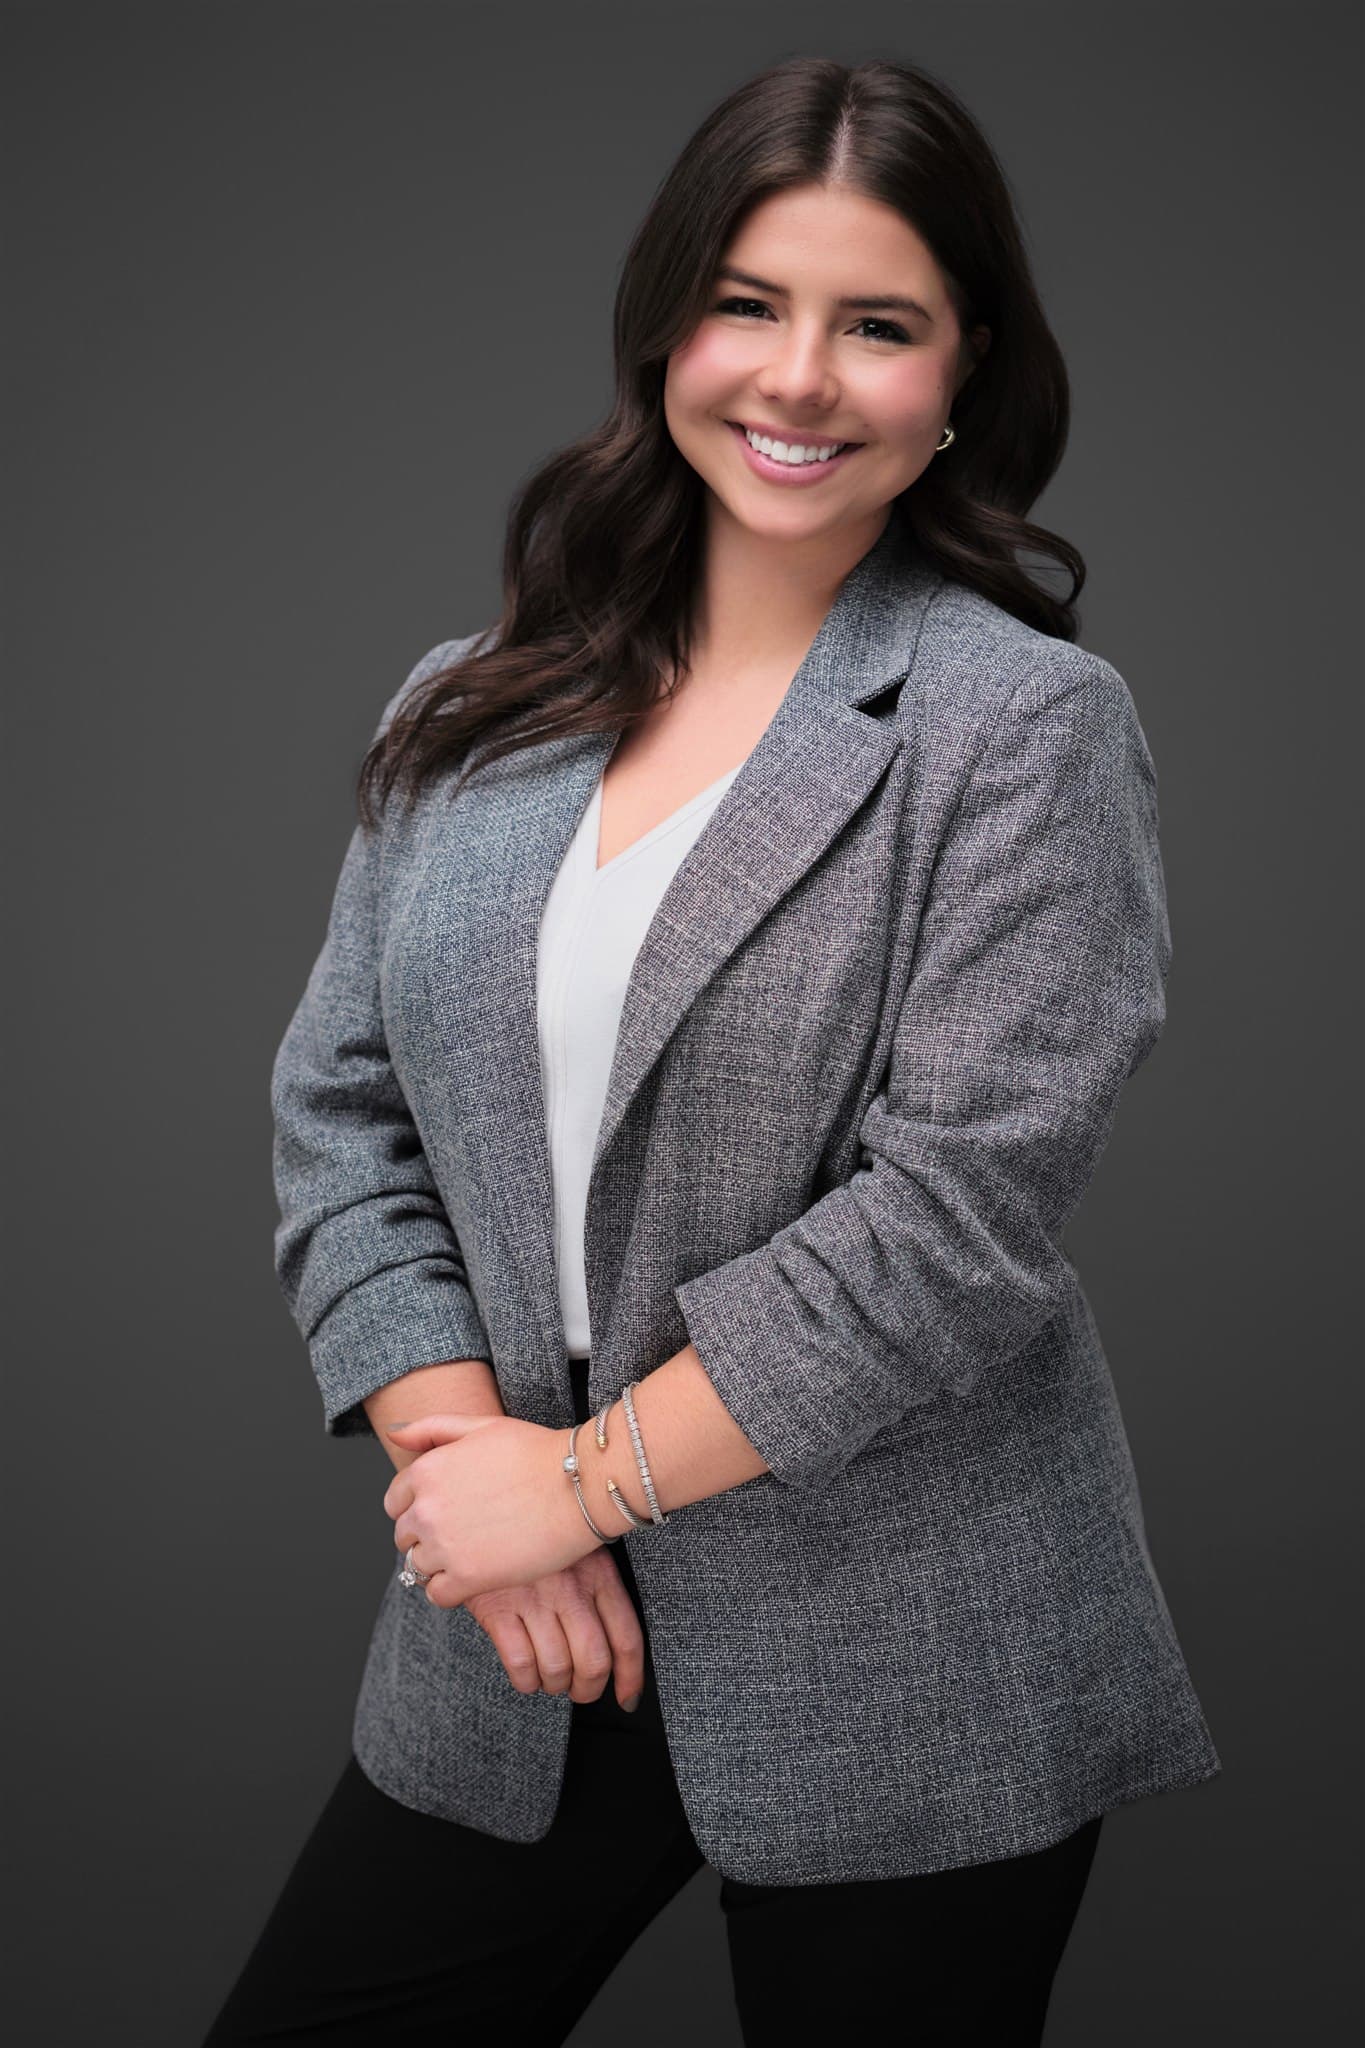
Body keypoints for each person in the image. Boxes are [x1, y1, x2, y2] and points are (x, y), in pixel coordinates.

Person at [203, 52, 1221, 2047]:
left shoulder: (1022, 727)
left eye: (877, 326)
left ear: (962, 371)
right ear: (666, 324)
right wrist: (470, 1481)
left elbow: (956, 1223)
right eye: (748, 303)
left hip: (909, 1644)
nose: (798, 379)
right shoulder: (469, 703)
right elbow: (340, 1111)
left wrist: (579, 1484)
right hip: (522, 1630)